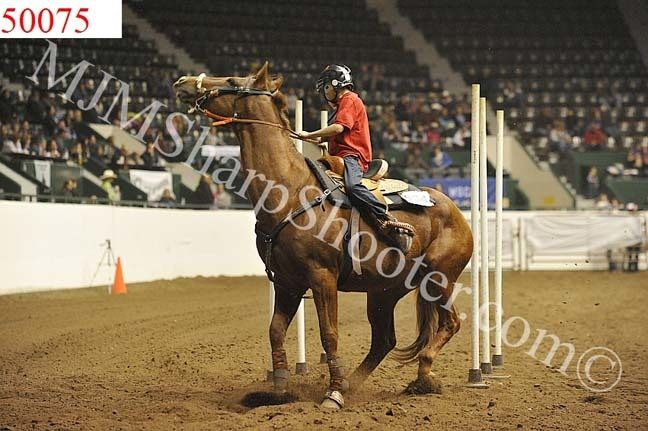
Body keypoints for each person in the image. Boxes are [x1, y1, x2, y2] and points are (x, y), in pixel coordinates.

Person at [298, 64, 414, 253]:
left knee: (352, 186)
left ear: (334, 85)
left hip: (353, 157)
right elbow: (332, 134)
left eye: (325, 87)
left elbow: (338, 128)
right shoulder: (341, 107)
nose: (325, 93)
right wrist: (312, 138)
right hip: (340, 157)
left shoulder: (350, 100)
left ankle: (385, 216)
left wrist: (309, 134)